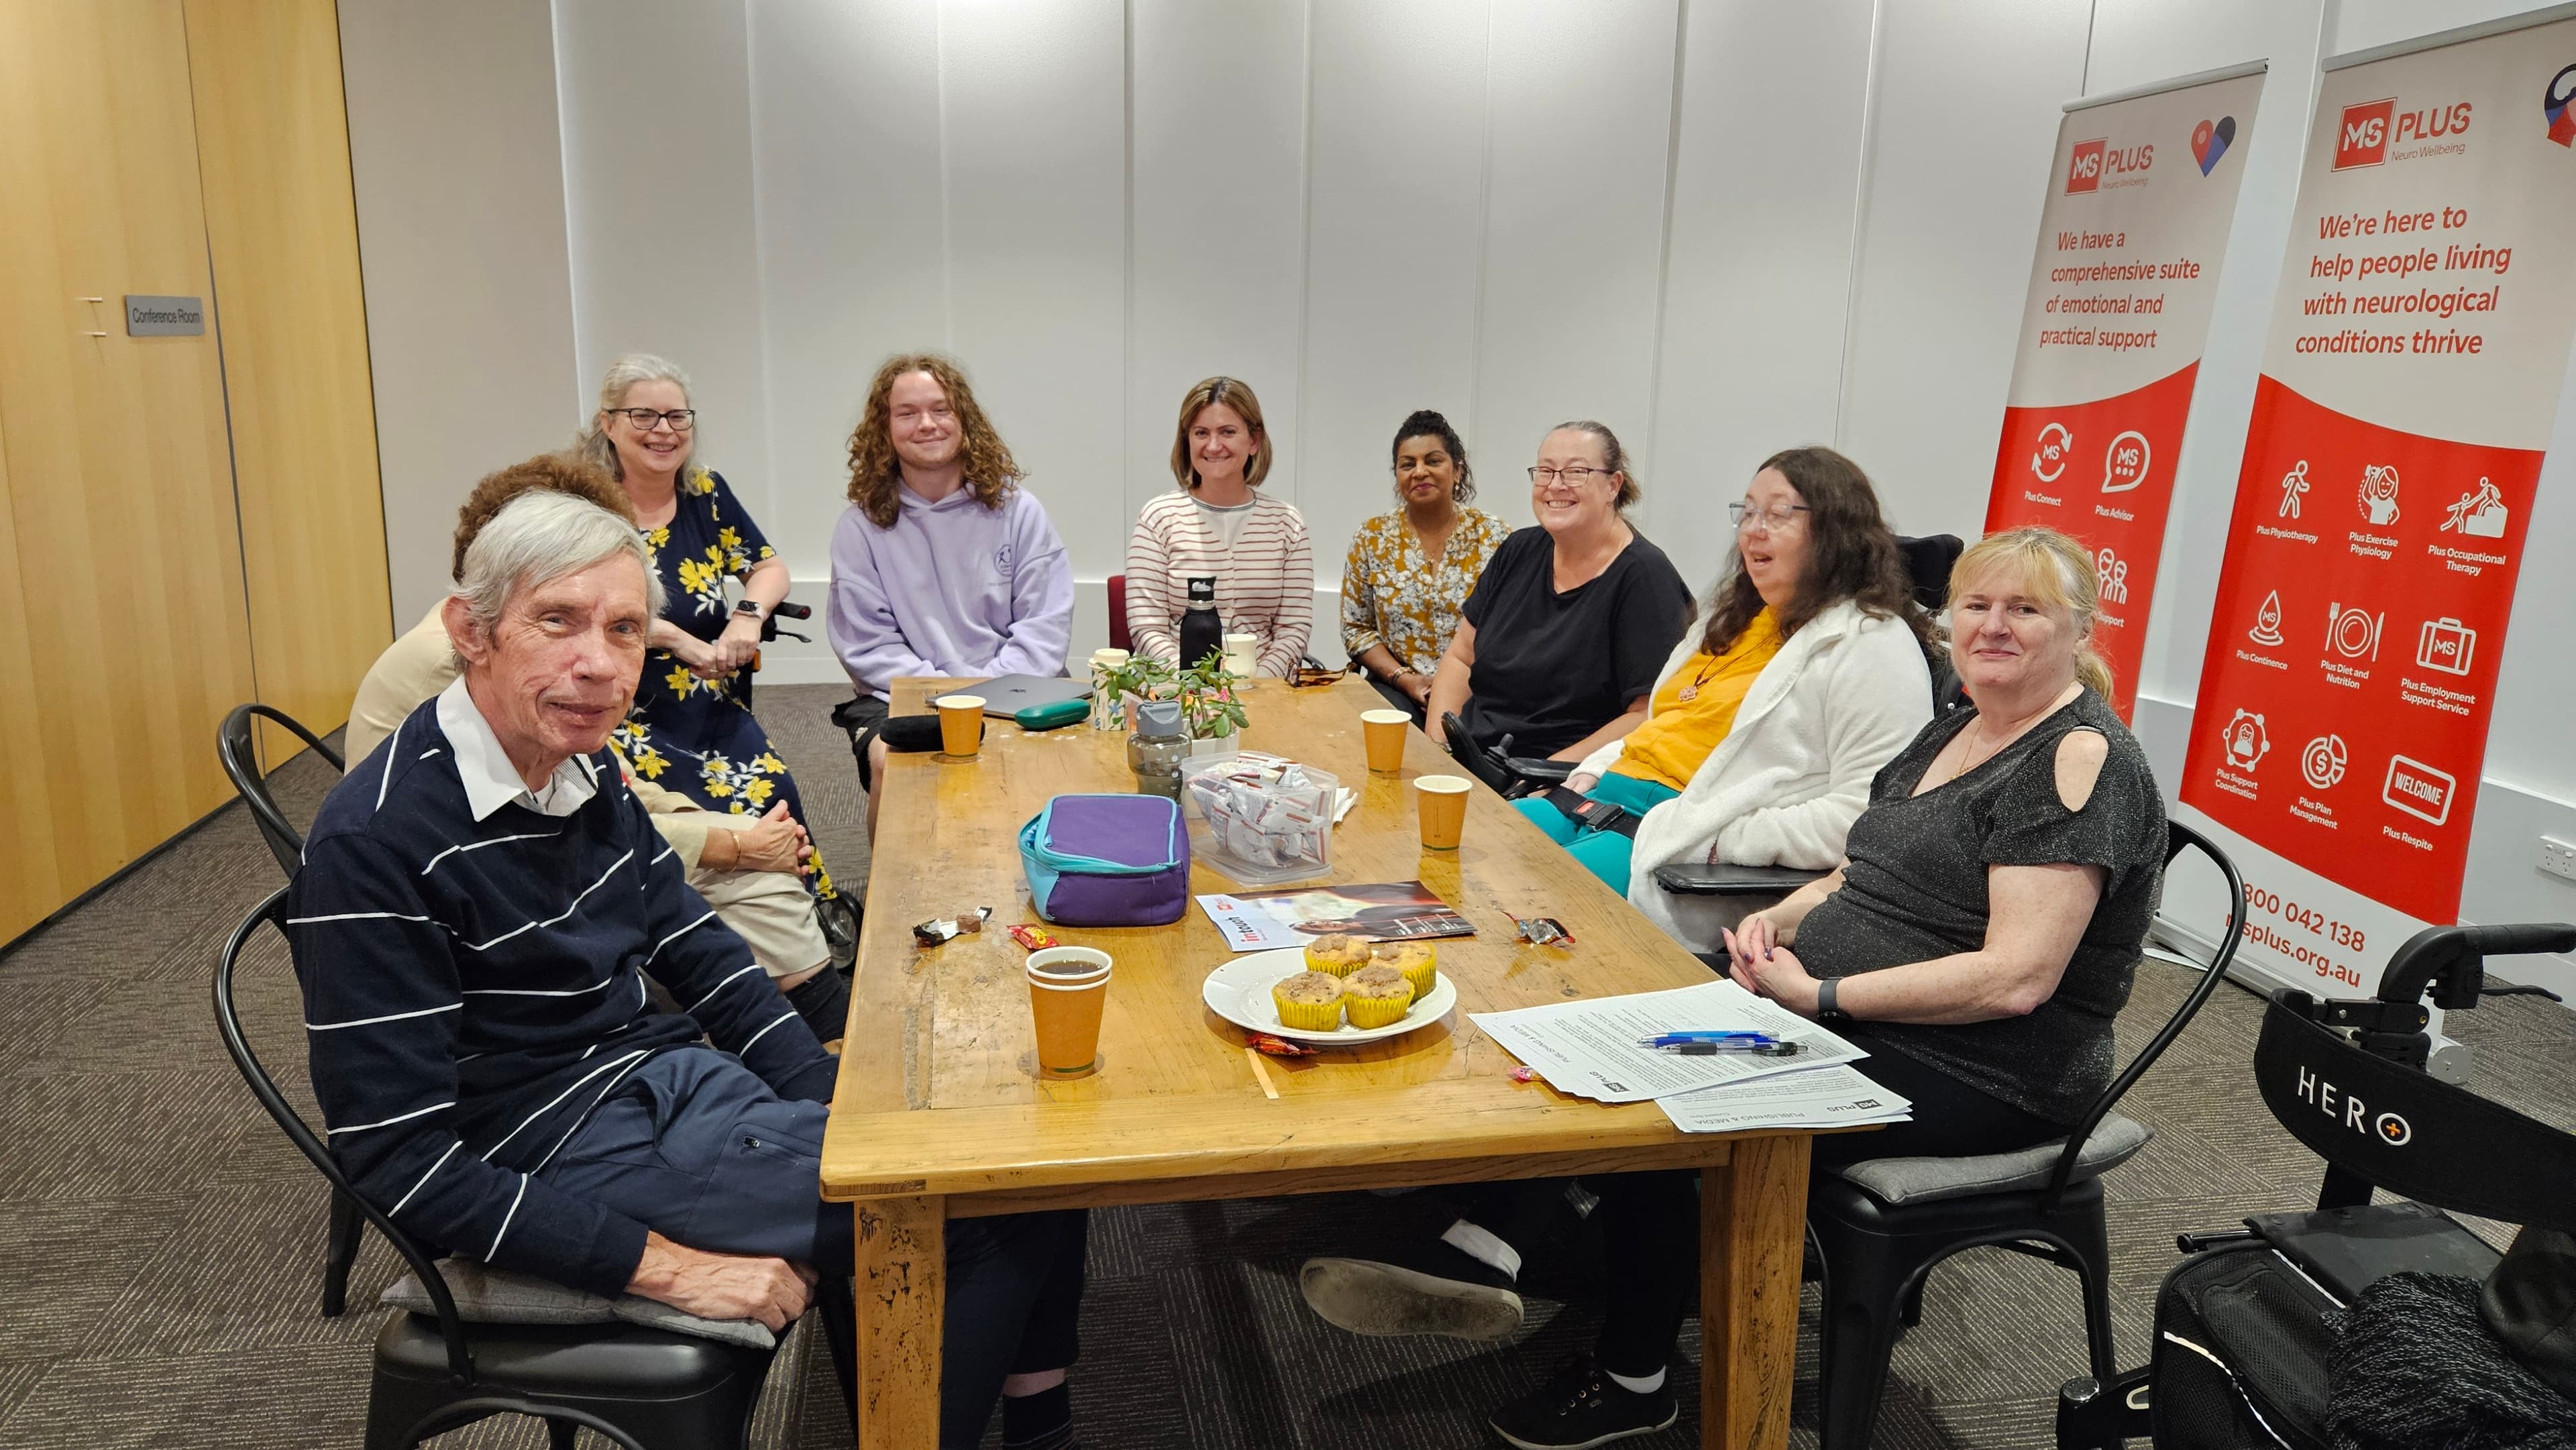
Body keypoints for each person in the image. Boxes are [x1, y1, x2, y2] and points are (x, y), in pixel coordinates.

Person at [291, 492, 1088, 1450]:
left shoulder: (576, 764)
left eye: (625, 629)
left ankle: (1027, 1426)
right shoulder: (374, 841)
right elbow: (398, 1160)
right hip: (548, 1151)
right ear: (472, 631)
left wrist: (835, 1095)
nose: (598, 662)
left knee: (1022, 1151)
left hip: (663, 1086)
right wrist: (660, 1266)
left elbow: (697, 949)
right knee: (983, 1201)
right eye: (557, 620)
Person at [1474, 525, 2170, 1449]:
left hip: (1991, 1068)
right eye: (1976, 605)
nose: (1993, 626)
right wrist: (1785, 920)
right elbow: (1862, 867)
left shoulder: (2078, 760)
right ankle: (1494, 1243)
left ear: (2078, 629)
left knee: (1675, 1100)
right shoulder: (1956, 721)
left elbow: (2015, 980)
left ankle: (1631, 1371)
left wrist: (1822, 998)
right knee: (1623, 1017)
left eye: (2025, 609)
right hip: (1856, 1005)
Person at [343, 452, 849, 1045]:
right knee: (753, 878)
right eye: (558, 615)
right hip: (487, 883)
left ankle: (816, 1047)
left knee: (750, 825)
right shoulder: (463, 665)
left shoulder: (536, 681)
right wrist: (734, 846)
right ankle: (824, 1034)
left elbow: (613, 782)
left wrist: (720, 831)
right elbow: (567, 825)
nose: (598, 661)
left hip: (546, 831)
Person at [1516, 447, 1934, 924]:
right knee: (1477, 853)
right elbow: (1666, 723)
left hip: (1677, 842)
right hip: (1598, 797)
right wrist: (1593, 770)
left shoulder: (1870, 643)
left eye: (1779, 514)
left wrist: (1725, 840)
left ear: (1837, 533)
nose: (1754, 528)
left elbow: (1868, 819)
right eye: (1749, 511)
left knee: (1527, 908)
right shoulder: (1731, 618)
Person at [580, 353, 839, 901]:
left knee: (774, 794)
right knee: (692, 820)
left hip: (705, 704)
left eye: (678, 417)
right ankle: (705, 930)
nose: (664, 432)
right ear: (608, 423)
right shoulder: (585, 507)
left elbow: (769, 568)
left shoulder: (705, 493)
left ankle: (810, 913)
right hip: (618, 711)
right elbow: (585, 613)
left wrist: (748, 615)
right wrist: (674, 638)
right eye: (643, 416)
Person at [827, 353, 1075, 836]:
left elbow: (1045, 625)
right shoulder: (861, 527)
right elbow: (868, 646)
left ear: (964, 419)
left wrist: (986, 693)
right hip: (903, 694)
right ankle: (890, 904)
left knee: (1062, 769)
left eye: (941, 409)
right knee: (890, 764)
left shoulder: (1019, 511)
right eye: (907, 412)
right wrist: (948, 698)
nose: (927, 424)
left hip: (1018, 686)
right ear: (885, 428)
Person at [1423, 421, 1694, 787]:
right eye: (1545, 471)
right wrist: (1438, 752)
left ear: (1613, 485)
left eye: (1576, 472)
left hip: (1553, 782)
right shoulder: (1518, 550)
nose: (1555, 485)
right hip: (1472, 762)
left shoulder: (1644, 577)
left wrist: (1537, 777)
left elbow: (1646, 713)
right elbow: (1460, 658)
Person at [1125, 376, 1312, 675]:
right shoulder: (1157, 517)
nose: (1213, 446)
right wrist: (1195, 686)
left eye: (1227, 432)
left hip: (1265, 693)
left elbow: (1294, 630)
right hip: (1177, 689)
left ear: (1254, 441)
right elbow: (1146, 629)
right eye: (1201, 433)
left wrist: (1256, 688)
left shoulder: (1287, 523)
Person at [1340, 409, 1512, 721]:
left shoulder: (1494, 535)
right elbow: (1357, 629)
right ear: (1397, 475)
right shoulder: (1372, 537)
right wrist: (1405, 680)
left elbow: (1512, 626)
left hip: (1478, 688)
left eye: (1433, 461)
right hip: (1395, 687)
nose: (1420, 472)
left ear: (1457, 469)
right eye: (1408, 465)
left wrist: (1455, 687)